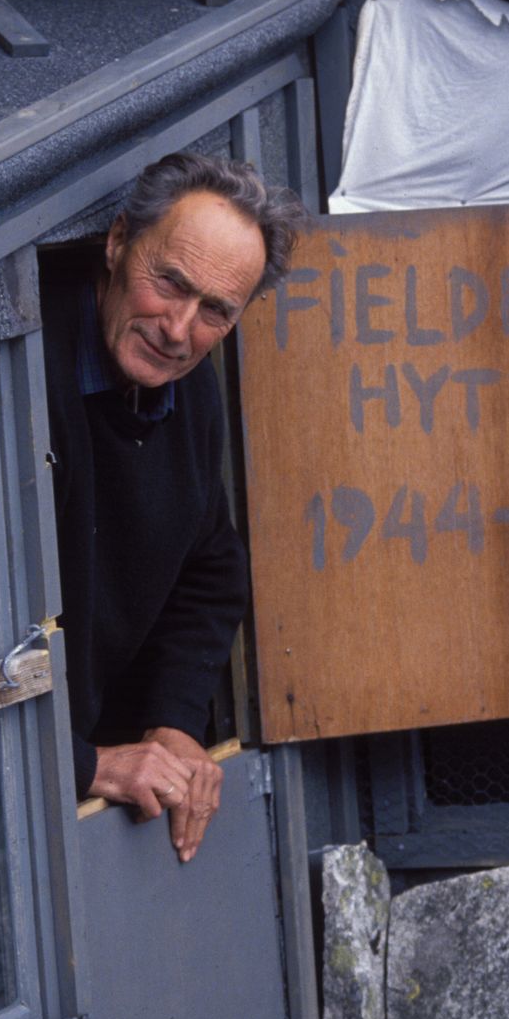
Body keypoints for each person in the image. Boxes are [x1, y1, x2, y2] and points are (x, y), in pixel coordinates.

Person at [43, 151, 304, 863]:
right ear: (119, 241)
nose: (180, 329)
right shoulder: (25, 370)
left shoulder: (186, 386)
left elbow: (211, 567)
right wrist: (87, 765)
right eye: (170, 284)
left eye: (215, 310)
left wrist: (176, 723)